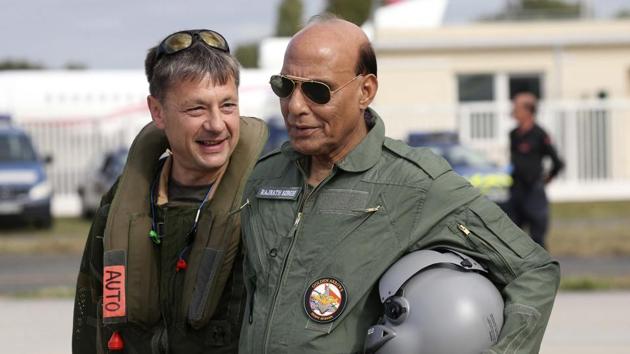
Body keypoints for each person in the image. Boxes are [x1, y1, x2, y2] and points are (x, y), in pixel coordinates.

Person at [239, 15, 560, 354]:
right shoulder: (264, 177)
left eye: (318, 91)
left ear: (366, 91)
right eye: (285, 87)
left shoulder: (415, 185)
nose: (295, 106)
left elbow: (533, 271)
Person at [72, 29, 268, 353]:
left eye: (228, 105)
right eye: (197, 109)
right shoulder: (122, 203)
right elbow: (90, 316)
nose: (217, 124)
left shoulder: (266, 198)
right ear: (158, 112)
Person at [508, 92, 565, 249]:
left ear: (528, 111)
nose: (513, 110)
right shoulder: (513, 134)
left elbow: (558, 163)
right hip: (516, 190)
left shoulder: (540, 134)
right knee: (512, 237)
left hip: (533, 192)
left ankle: (542, 271)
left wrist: (546, 179)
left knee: (537, 238)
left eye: (516, 107)